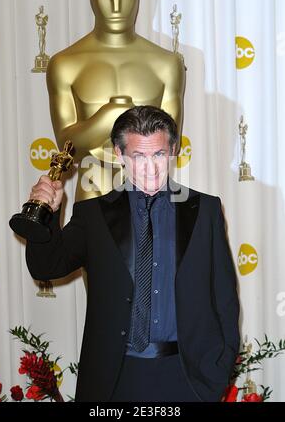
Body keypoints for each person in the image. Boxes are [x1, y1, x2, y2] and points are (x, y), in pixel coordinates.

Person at [25, 106, 240, 402]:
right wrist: (46, 214)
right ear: (120, 153)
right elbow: (46, 267)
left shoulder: (205, 210)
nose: (151, 168)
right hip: (114, 379)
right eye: (139, 156)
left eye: (159, 155)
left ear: (173, 150)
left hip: (189, 377)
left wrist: (219, 369)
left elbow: (225, 297)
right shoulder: (93, 215)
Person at [46, 0, 185, 201]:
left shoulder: (166, 64)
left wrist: (109, 121)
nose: (117, 8)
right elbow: (67, 149)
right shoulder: (65, 64)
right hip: (93, 185)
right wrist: (110, 116)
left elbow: (171, 144)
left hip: (149, 189)